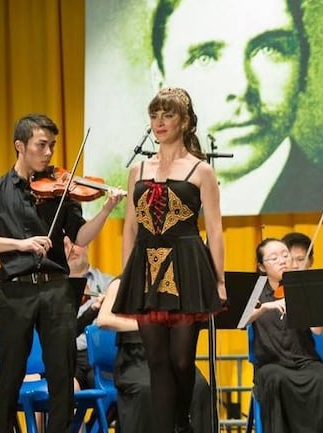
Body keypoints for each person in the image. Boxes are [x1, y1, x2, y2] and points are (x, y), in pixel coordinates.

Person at [0, 113, 125, 433]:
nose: (49, 152)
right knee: (9, 375)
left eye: (52, 145)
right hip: (15, 290)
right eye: (41, 145)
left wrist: (106, 209)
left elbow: (79, 237)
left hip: (56, 290)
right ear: (19, 146)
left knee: (62, 377)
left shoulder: (61, 189)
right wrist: (21, 244)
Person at [151, 0, 323, 214]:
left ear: (304, 67)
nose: (241, 87)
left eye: (269, 49)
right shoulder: (155, 207)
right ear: (162, 87)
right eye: (204, 58)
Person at [111, 87, 226, 433]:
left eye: (168, 115)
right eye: (154, 115)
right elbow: (130, 228)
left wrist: (219, 281)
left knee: (181, 359)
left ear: (185, 121)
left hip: (187, 265)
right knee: (157, 360)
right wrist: (124, 275)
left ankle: (182, 418)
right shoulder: (139, 169)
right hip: (146, 268)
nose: (159, 122)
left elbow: (216, 230)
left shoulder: (201, 170)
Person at [97, 278, 213, 433]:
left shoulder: (174, 282)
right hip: (135, 358)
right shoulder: (121, 283)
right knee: (148, 389)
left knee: (199, 387)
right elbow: (103, 320)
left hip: (169, 353)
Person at [247, 238, 323, 433]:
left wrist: (317, 304)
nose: (282, 260)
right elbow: (241, 320)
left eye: (285, 255)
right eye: (274, 258)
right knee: (275, 379)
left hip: (304, 360)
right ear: (262, 266)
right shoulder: (255, 292)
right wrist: (265, 308)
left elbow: (317, 331)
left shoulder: (300, 287)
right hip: (271, 363)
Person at [65, 236, 115, 392]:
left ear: (87, 245)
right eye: (66, 245)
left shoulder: (110, 283)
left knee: (112, 388)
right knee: (66, 388)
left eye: (77, 243)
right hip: (69, 356)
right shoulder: (52, 288)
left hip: (103, 357)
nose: (72, 249)